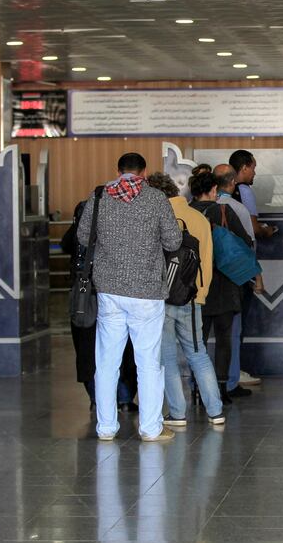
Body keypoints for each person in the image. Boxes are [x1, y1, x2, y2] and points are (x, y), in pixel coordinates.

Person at [77, 152, 181, 442]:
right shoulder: (156, 199)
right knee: (148, 362)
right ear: (143, 172)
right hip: (147, 292)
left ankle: (106, 428)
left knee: (107, 362)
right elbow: (173, 240)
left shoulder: (99, 197)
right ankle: (150, 428)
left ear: (118, 170)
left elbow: (84, 237)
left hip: (109, 290)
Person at [145, 172, 224, 427]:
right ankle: (216, 411)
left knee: (167, 358)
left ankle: (177, 413)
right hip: (192, 298)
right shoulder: (198, 217)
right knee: (198, 354)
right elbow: (207, 259)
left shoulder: (156, 217)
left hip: (163, 299)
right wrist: (200, 293)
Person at [61, 200, 139, 413]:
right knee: (122, 347)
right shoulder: (116, 227)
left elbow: (64, 244)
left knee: (87, 349)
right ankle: (123, 399)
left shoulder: (80, 228)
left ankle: (97, 399)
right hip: (113, 292)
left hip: (85, 296)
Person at [191, 169, 254, 404]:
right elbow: (245, 242)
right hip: (224, 283)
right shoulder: (223, 211)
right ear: (214, 190)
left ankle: (197, 387)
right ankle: (220, 388)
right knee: (224, 338)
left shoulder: (186, 213)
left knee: (198, 340)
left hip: (195, 285)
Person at [228, 150, 273, 388]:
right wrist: (268, 230)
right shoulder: (245, 191)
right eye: (253, 167)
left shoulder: (222, 195)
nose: (254, 172)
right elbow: (253, 229)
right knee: (238, 322)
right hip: (243, 266)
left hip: (223, 266)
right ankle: (235, 372)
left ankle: (228, 372)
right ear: (244, 167)